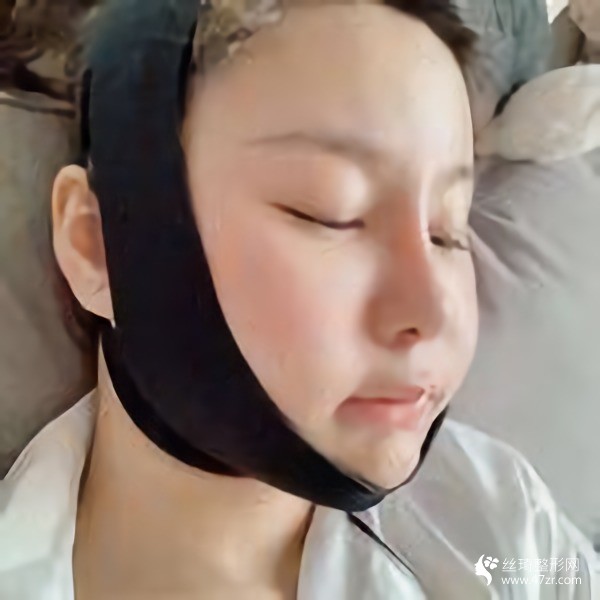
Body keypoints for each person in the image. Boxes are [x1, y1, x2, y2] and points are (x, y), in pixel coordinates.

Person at [0, 0, 597, 598]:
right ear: (99, 245)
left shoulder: (510, 535)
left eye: (448, 231)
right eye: (330, 211)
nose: (433, 312)